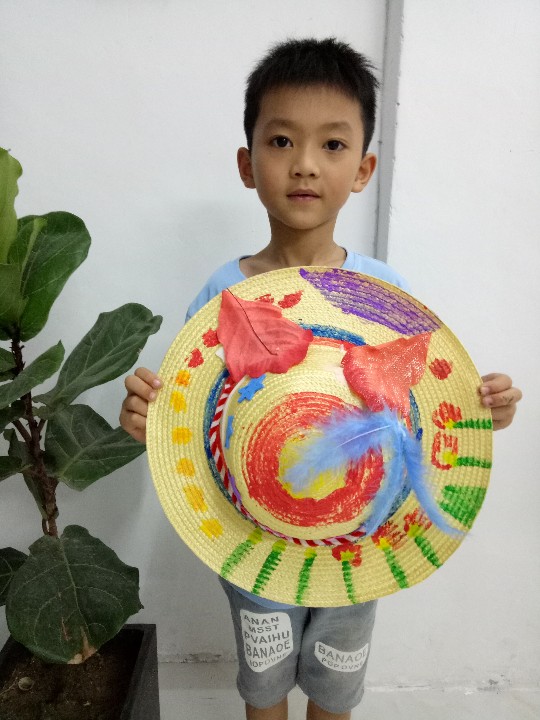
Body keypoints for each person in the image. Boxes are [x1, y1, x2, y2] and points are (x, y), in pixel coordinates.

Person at [120, 38, 522, 720]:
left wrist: (482, 408)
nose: (304, 163)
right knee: (265, 679)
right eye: (281, 141)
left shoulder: (383, 292)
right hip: (252, 534)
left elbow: (419, 409)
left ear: (363, 169)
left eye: (332, 145)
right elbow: (190, 416)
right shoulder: (222, 297)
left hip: (361, 539)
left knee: (335, 682)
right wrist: (149, 421)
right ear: (247, 164)